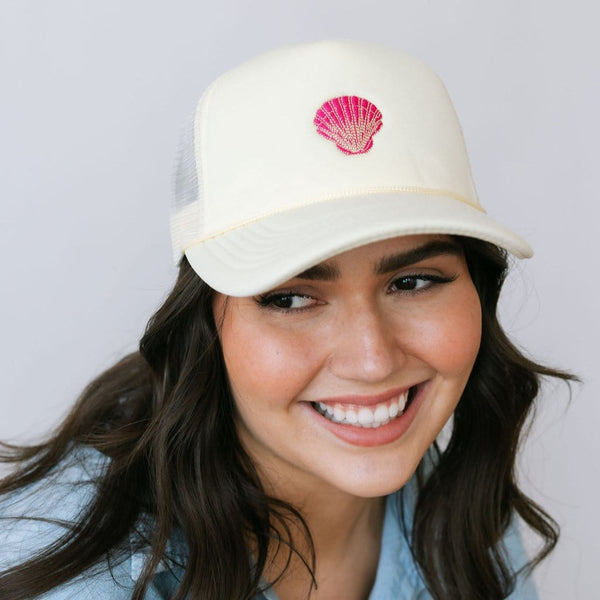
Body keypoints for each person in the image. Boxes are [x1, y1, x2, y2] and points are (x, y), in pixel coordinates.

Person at [0, 40, 574, 600]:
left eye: (412, 282)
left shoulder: (457, 503)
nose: (373, 360)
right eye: (292, 298)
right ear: (203, 325)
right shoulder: (83, 577)